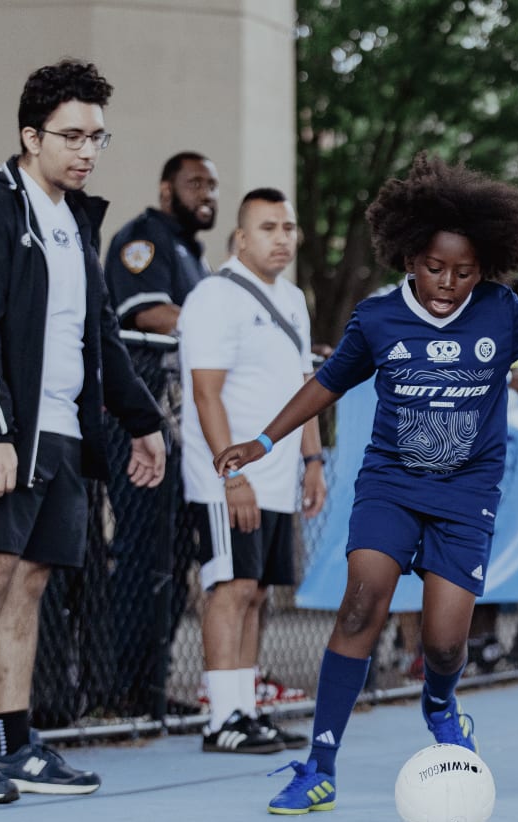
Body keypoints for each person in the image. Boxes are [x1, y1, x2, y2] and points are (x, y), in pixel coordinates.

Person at [213, 153, 518, 816]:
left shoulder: (501, 312)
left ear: (484, 266)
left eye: (463, 271)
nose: (447, 283)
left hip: (466, 495)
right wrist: (263, 439)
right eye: (434, 267)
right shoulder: (376, 319)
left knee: (445, 641)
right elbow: (327, 381)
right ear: (409, 258)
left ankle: (439, 703)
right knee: (362, 601)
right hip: (391, 485)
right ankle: (319, 765)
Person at [0, 59, 166, 804]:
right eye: (71, 135)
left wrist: (141, 421)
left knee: (28, 583)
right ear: (30, 135)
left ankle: (13, 741)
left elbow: (100, 333)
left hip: (63, 431)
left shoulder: (75, 219)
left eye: (98, 136)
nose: (87, 150)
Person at [179, 187, 326, 752]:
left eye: (288, 227)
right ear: (241, 237)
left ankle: (245, 709)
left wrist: (312, 461)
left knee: (257, 591)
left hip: (278, 478)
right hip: (227, 479)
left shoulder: (291, 298)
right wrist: (230, 476)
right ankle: (221, 719)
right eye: (268, 228)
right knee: (230, 587)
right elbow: (205, 394)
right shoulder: (216, 298)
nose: (281, 238)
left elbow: (305, 389)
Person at [100, 151, 218, 715]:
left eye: (212, 185)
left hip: (181, 430)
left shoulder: (194, 255)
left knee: (173, 559)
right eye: (196, 183)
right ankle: (117, 689)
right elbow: (147, 315)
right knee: (139, 549)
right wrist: (227, 329)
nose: (207, 194)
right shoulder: (142, 238)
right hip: (135, 420)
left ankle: (151, 684)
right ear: (166, 188)